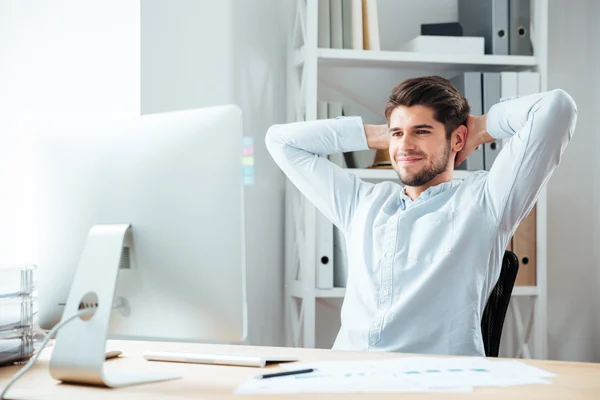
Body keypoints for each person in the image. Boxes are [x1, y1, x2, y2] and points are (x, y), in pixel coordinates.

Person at [265, 76, 577, 356]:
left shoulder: (486, 202)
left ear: (456, 139)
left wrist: (480, 128)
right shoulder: (362, 203)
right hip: (348, 375)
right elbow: (280, 141)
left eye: (422, 131)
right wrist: (378, 134)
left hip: (437, 383)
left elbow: (556, 108)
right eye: (398, 133)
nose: (405, 145)